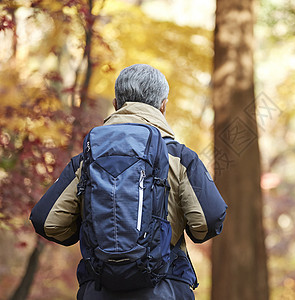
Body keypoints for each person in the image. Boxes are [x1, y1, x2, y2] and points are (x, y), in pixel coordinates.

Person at [30, 64, 228, 299]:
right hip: (164, 289)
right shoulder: (180, 157)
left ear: (116, 104)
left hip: (99, 288)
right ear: (163, 106)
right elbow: (209, 220)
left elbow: (48, 221)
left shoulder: (87, 159)